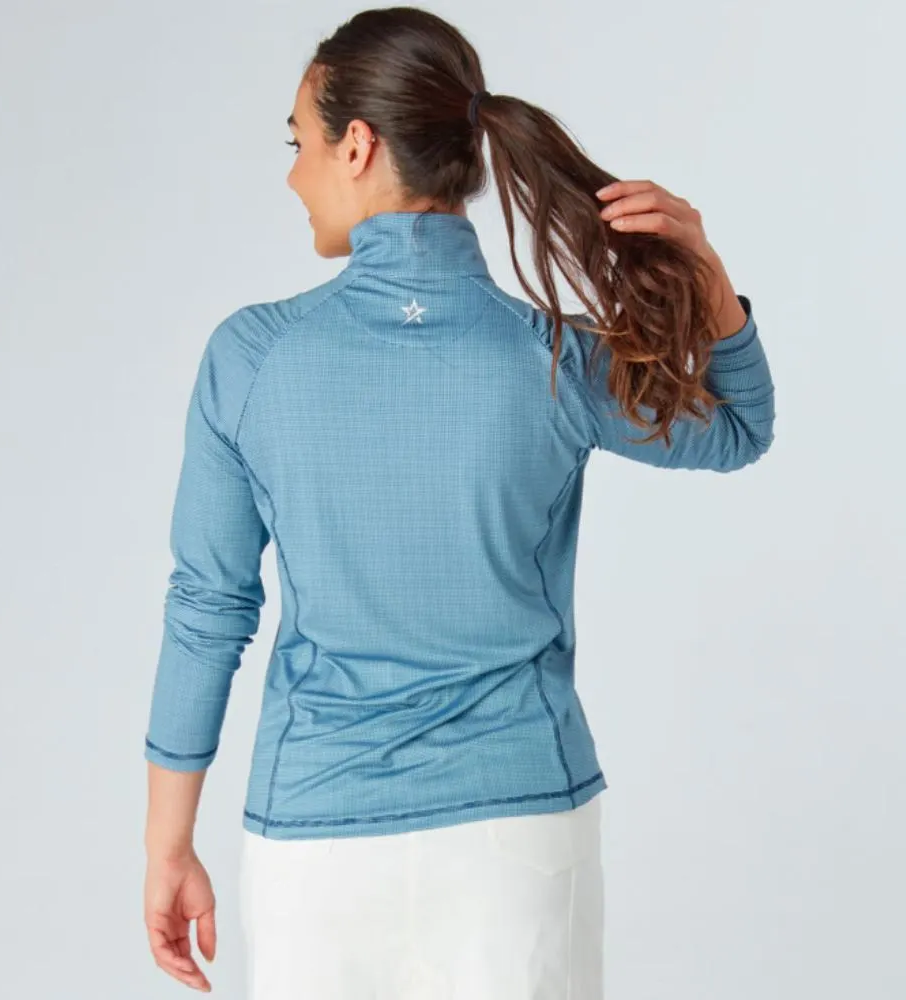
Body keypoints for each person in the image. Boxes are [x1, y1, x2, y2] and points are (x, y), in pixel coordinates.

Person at [141, 7, 775, 999]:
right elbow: (739, 426)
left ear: (358, 146)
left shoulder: (252, 359)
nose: (293, 175)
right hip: (519, 833)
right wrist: (708, 275)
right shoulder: (555, 358)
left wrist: (168, 846)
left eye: (299, 143)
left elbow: (208, 608)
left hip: (315, 845)